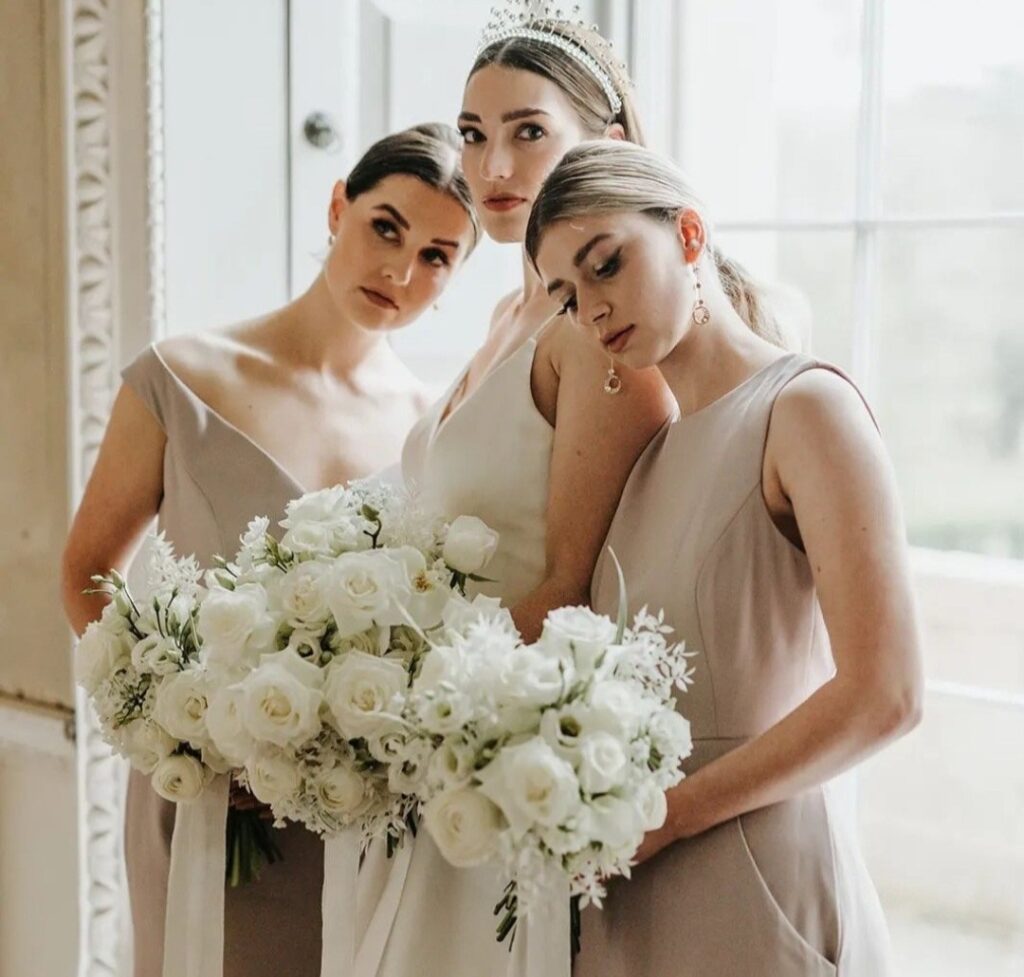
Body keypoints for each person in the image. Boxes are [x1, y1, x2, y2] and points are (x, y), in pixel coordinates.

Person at [61, 123, 479, 977]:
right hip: (205, 791)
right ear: (339, 207)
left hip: (349, 809)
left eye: (438, 256)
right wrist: (177, 726)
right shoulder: (182, 375)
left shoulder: (429, 425)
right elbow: (87, 570)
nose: (401, 271)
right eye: (386, 227)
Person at [526, 139, 925, 976]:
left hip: (756, 878)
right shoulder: (649, 458)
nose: (592, 309)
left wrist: (670, 814)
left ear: (690, 234)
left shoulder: (805, 407)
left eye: (607, 265)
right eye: (565, 296)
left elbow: (887, 694)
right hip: (635, 898)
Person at [351, 13, 675, 977]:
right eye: (473, 131)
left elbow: (574, 587)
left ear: (606, 143)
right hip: (443, 747)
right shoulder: (506, 311)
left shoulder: (593, 334)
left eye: (528, 130)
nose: (491, 162)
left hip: (497, 754)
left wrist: (409, 719)